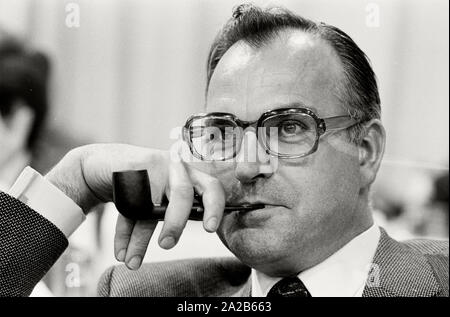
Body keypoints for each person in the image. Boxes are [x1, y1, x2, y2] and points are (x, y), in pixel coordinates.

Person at [0, 4, 448, 297]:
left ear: (366, 150)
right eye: (223, 133)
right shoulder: (144, 291)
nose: (247, 165)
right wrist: (75, 181)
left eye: (289, 128)